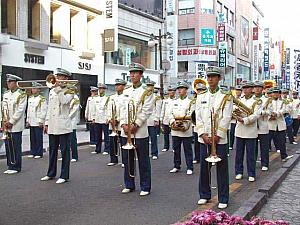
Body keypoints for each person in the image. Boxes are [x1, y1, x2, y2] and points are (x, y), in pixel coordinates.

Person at [196, 66, 233, 209]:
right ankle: (204, 194)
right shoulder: (201, 95)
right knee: (204, 168)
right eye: (208, 76)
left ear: (219, 78)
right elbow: (197, 117)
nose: (210, 79)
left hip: (219, 138)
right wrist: (202, 134)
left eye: (213, 76)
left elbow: (227, 116)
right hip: (204, 138)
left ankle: (223, 197)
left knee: (222, 168)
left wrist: (218, 135)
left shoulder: (226, 96)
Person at [119, 62, 154, 196]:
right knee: (127, 159)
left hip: (139, 131)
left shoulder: (147, 91)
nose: (132, 75)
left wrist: (136, 124)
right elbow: (122, 108)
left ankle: (145, 186)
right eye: (131, 73)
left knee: (143, 159)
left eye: (135, 73)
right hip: (126, 130)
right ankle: (129, 184)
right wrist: (123, 124)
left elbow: (147, 110)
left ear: (141, 75)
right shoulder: (126, 91)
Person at [41, 68, 74, 184]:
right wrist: (46, 123)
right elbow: (49, 108)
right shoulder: (52, 91)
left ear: (66, 78)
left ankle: (64, 175)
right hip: (53, 124)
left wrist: (58, 89)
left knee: (64, 151)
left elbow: (64, 101)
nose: (58, 79)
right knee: (52, 151)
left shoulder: (70, 90)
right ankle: (51, 173)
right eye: (57, 76)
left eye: (61, 77)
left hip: (63, 125)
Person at [234, 81, 262, 182]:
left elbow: (256, 115)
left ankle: (251, 173)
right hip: (240, 130)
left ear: (252, 89)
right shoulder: (239, 100)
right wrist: (237, 115)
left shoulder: (257, 101)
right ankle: (239, 172)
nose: (245, 90)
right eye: (244, 88)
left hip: (251, 131)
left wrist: (244, 120)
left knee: (250, 154)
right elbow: (234, 109)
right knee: (239, 154)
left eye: (247, 88)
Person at [1, 74, 27, 174]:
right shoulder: (6, 94)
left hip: (15, 124)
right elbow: (2, 107)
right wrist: (3, 121)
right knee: (8, 145)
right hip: (6, 124)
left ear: (15, 83)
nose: (8, 84)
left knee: (16, 146)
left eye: (10, 82)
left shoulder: (21, 94)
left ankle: (16, 167)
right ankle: (10, 165)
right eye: (8, 82)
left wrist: (11, 121)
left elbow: (20, 110)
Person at [169, 81, 195, 175]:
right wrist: (173, 122)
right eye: (178, 89)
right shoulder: (174, 102)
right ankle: (176, 166)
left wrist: (184, 123)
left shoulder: (190, 102)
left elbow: (191, 114)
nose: (179, 90)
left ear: (186, 90)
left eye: (182, 88)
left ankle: (190, 167)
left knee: (187, 149)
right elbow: (170, 114)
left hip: (185, 128)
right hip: (175, 128)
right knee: (176, 149)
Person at [267, 87, 294, 162]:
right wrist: (270, 116)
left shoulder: (284, 101)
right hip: (270, 124)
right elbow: (265, 110)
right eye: (274, 92)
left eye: (277, 92)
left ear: (279, 94)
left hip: (280, 124)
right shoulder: (268, 101)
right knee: (266, 142)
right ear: (271, 94)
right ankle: (265, 160)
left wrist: (277, 113)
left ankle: (284, 156)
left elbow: (288, 109)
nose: (275, 94)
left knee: (282, 142)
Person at [107, 78, 127, 166]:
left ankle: (124, 160)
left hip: (121, 122)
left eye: (119, 85)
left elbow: (125, 110)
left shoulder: (126, 96)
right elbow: (108, 110)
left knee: (123, 142)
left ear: (123, 86)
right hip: (112, 123)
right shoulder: (111, 97)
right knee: (112, 142)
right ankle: (113, 159)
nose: (117, 87)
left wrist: (118, 119)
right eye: (116, 85)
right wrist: (110, 119)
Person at [26, 82, 47, 159]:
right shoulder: (30, 98)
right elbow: (28, 110)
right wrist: (27, 120)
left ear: (39, 90)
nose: (33, 90)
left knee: (38, 138)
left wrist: (41, 121)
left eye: (35, 88)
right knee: (32, 138)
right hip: (31, 120)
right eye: (32, 88)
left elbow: (43, 110)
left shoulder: (42, 99)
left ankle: (39, 152)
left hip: (38, 121)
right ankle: (33, 151)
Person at [253, 81, 270, 171]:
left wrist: (262, 112)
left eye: (259, 87)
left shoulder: (267, 99)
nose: (257, 89)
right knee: (253, 146)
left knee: (264, 147)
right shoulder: (250, 99)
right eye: (255, 87)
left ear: (262, 89)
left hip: (263, 125)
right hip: (252, 126)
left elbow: (269, 111)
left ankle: (265, 163)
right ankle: (253, 162)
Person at [92, 83, 110, 155]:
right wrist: (93, 118)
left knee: (106, 136)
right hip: (97, 119)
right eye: (99, 88)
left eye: (102, 88)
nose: (100, 90)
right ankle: (97, 149)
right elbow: (94, 109)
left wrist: (108, 118)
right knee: (97, 135)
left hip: (104, 119)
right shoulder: (95, 98)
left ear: (105, 90)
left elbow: (108, 109)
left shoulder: (107, 98)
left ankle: (107, 149)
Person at [193, 83, 207, 164]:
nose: (199, 92)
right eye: (198, 90)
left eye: (201, 90)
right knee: (196, 143)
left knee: (205, 142)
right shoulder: (193, 100)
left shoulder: (207, 99)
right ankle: (197, 157)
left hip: (204, 125)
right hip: (196, 124)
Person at [146, 81, 161, 160]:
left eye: (151, 86)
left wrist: (156, 119)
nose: (149, 88)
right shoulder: (144, 96)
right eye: (148, 86)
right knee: (144, 139)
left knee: (153, 138)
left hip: (152, 119)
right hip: (144, 120)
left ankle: (154, 153)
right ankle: (145, 153)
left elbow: (158, 109)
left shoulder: (156, 97)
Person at [160, 85, 176, 152]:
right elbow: (163, 110)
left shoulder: (177, 100)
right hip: (166, 120)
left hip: (173, 120)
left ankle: (174, 147)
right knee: (166, 135)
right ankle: (166, 147)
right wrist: (161, 119)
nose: (170, 92)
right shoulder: (165, 101)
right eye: (169, 90)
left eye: (172, 90)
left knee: (174, 134)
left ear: (174, 92)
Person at [69, 87, 80, 162]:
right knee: (65, 141)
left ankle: (74, 156)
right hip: (64, 122)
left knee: (72, 140)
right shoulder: (67, 97)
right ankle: (65, 155)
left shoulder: (75, 98)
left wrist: (67, 117)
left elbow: (74, 110)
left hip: (71, 121)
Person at [229, 86, 242, 150]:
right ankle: (231, 145)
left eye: (239, 90)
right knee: (232, 132)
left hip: (240, 119)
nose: (238, 92)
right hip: (233, 119)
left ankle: (239, 146)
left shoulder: (242, 99)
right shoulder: (232, 98)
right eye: (237, 90)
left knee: (239, 133)